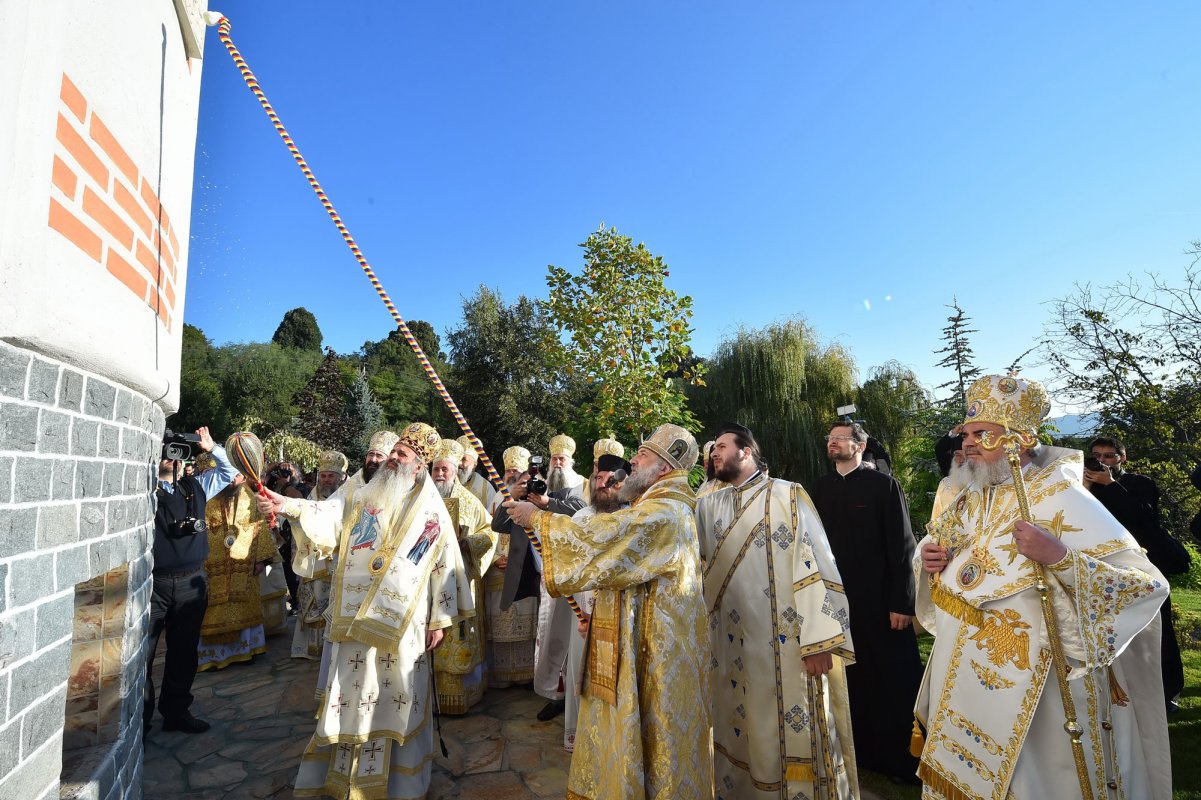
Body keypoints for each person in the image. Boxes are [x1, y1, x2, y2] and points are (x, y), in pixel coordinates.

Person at [916, 374, 1170, 799]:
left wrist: (1060, 557)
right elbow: (942, 552)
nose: (969, 444)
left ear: (1020, 439)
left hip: (1041, 683)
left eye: (982, 434)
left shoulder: (1064, 496)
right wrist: (927, 559)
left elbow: (1145, 585)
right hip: (961, 673)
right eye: (967, 433)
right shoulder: (970, 494)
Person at [257, 422, 471, 800]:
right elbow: (326, 512)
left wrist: (439, 619)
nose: (391, 460)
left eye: (400, 455)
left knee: (398, 696)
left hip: (403, 626)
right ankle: (345, 779)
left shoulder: (430, 509)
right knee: (353, 695)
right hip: (352, 620)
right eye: (392, 453)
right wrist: (285, 504)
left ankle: (401, 785)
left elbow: (445, 564)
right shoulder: (361, 490)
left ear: (417, 465)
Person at [506, 423, 712, 799]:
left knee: (655, 741)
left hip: (656, 656)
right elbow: (627, 575)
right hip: (644, 643)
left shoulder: (664, 512)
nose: (633, 460)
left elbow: (603, 539)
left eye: (643, 455)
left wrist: (535, 518)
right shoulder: (658, 506)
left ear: (663, 468)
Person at [697, 422, 858, 799]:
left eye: (721, 446)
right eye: (711, 449)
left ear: (746, 451)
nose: (713, 453)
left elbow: (816, 563)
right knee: (739, 723)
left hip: (784, 643)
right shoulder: (707, 506)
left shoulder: (788, 495)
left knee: (785, 728)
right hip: (730, 643)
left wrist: (818, 641)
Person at [810, 421, 922, 783]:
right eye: (830, 439)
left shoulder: (884, 486)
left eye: (839, 438)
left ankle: (904, 759)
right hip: (840, 604)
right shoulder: (820, 490)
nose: (832, 443)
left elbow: (902, 548)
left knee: (891, 678)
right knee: (853, 679)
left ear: (859, 446)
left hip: (882, 604)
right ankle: (861, 754)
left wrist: (902, 603)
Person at [146, 426, 238, 736]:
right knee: (143, 655)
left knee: (184, 653)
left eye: (173, 451)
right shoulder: (144, 490)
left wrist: (212, 448)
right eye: (165, 451)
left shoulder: (196, 486)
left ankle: (176, 711)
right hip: (153, 585)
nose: (170, 457)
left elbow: (229, 472)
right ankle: (139, 721)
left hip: (191, 582)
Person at [1086, 435, 1186, 709]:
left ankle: (1168, 691)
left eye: (1109, 456)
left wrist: (1111, 486)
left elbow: (1145, 516)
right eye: (1097, 456)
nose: (1103, 461)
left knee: (1158, 626)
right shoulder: (1084, 488)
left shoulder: (1140, 483)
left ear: (1122, 458)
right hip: (1104, 567)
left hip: (1144, 565)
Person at [563, 451, 629, 753]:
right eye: (598, 478)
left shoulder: (634, 516)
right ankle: (584, 743)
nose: (602, 484)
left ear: (623, 484)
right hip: (583, 614)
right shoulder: (581, 517)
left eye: (609, 480)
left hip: (620, 616)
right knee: (581, 672)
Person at [430, 438, 498, 714]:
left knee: (456, 635)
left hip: (458, 578)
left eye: (445, 469)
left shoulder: (469, 501)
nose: (440, 474)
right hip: (426, 582)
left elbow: (490, 533)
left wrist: (467, 543)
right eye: (436, 469)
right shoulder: (420, 499)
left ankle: (460, 694)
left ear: (455, 469)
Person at [197, 475, 278, 671]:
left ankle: (245, 651)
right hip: (214, 564)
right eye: (229, 475)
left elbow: (260, 528)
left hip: (244, 563)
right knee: (212, 608)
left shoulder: (251, 498)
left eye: (237, 476)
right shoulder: (208, 496)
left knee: (244, 606)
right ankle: (214, 656)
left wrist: (262, 559)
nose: (233, 480)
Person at [484, 446, 539, 686]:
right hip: (499, 568)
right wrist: (496, 557)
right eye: (508, 471)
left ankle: (528, 672)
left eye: (516, 471)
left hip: (523, 565)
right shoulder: (497, 498)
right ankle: (502, 674)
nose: (511, 475)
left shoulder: (532, 497)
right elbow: (488, 530)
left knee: (528, 619)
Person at [290, 450, 348, 660]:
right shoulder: (309, 498)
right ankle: (310, 649)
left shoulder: (347, 499)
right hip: (313, 562)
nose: (325, 480)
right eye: (322, 476)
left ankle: (330, 651)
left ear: (340, 477)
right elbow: (299, 527)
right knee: (312, 602)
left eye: (330, 476)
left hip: (337, 563)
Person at [456, 434, 499, 511]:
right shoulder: (445, 481)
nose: (459, 463)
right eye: (457, 458)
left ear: (474, 464)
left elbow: (492, 517)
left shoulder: (486, 488)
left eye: (463, 459)